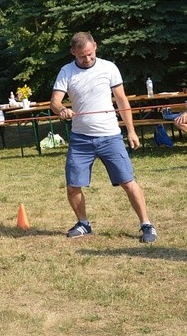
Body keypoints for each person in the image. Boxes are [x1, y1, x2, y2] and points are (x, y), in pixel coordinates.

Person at [50, 31, 157, 243]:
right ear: (73, 52)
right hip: (81, 139)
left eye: (90, 54)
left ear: (95, 47)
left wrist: (131, 131)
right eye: (82, 56)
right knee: (73, 186)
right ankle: (83, 224)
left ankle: (146, 224)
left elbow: (122, 101)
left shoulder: (109, 67)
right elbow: (54, 101)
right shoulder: (66, 71)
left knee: (128, 182)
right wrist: (62, 109)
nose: (87, 59)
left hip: (110, 137)